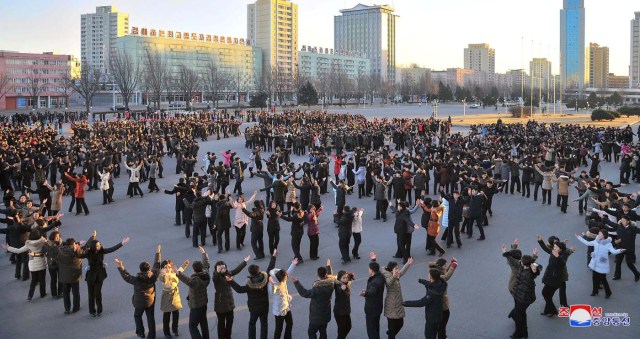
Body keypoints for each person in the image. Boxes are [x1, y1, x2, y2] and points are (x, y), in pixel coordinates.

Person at [114, 244, 162, 339]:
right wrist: (158, 252)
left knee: (137, 316)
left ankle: (141, 332)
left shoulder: (137, 279)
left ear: (140, 269)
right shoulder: (154, 275)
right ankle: (152, 336)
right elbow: (157, 264)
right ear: (149, 269)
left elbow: (126, 277)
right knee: (150, 318)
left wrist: (121, 266)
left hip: (139, 302)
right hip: (150, 301)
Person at [228, 249, 278, 339]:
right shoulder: (265, 279)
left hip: (253, 308)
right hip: (264, 306)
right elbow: (270, 268)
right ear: (259, 271)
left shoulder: (249, 285)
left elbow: (239, 289)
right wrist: (273, 256)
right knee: (264, 324)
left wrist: (231, 281)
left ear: (250, 273)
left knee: (252, 323)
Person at [85, 234, 129, 317]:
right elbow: (79, 255)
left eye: (99, 245)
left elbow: (112, 249)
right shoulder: (88, 253)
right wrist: (75, 249)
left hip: (100, 275)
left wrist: (122, 243)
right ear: (93, 247)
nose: (99, 246)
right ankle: (92, 311)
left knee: (98, 293)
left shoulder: (102, 251)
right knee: (91, 294)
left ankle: (99, 310)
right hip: (90, 276)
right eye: (97, 245)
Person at [575, 229, 625, 298]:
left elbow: (613, 251)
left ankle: (608, 292)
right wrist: (579, 237)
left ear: (604, 236)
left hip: (602, 264)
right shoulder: (596, 241)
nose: (598, 235)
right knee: (594, 277)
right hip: (595, 263)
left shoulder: (608, 244)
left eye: (600, 234)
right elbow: (587, 243)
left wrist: (620, 250)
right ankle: (595, 291)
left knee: (603, 279)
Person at [292, 260, 335, 339]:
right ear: (326, 275)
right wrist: (328, 266)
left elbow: (304, 293)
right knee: (323, 332)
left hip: (316, 317)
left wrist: (296, 282)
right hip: (326, 315)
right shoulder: (331, 285)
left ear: (318, 275)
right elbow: (331, 276)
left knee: (311, 332)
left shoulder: (316, 290)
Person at [402, 268, 448, 339]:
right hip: (439, 315)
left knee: (429, 335)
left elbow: (421, 303)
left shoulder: (432, 293)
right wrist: (422, 281)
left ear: (431, 277)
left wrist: (405, 303)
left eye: (429, 274)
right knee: (434, 333)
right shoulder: (440, 284)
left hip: (432, 317)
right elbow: (430, 284)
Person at [3, 229, 49, 301]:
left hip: (32, 264)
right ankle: (42, 294)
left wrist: (8, 247)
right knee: (42, 280)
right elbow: (49, 247)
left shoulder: (29, 244)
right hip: (42, 263)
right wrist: (45, 240)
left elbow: (18, 251)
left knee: (33, 280)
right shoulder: (42, 242)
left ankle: (30, 296)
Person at [176, 246, 210, 339]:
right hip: (204, 304)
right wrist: (204, 253)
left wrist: (178, 273)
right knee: (203, 323)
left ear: (193, 269)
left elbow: (188, 281)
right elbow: (206, 263)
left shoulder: (195, 281)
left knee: (192, 326)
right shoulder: (205, 274)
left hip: (196, 306)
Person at [212, 256, 250, 339]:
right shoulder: (216, 277)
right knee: (221, 324)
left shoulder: (228, 273)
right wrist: (218, 271)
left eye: (224, 267)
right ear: (217, 269)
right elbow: (215, 278)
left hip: (229, 303)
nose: (223, 269)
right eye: (221, 268)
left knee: (230, 322)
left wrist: (244, 262)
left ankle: (228, 336)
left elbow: (236, 270)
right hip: (220, 305)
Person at [58, 232, 94, 314]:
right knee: (75, 292)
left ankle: (67, 309)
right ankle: (76, 307)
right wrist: (92, 237)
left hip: (64, 276)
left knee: (66, 293)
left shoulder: (60, 250)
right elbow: (85, 247)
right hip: (74, 275)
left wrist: (77, 244)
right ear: (73, 244)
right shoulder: (77, 252)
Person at [507, 255, 541, 339]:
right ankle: (524, 334)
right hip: (518, 294)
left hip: (525, 298)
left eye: (521, 260)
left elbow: (538, 269)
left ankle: (518, 333)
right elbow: (514, 262)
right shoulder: (522, 266)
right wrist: (506, 253)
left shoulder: (530, 272)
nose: (520, 261)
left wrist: (535, 270)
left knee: (518, 314)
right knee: (521, 313)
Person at [423, 258, 458, 339]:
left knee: (442, 324)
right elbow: (446, 276)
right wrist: (453, 267)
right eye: (445, 266)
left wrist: (450, 264)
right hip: (441, 305)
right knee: (442, 323)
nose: (446, 267)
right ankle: (442, 337)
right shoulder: (437, 276)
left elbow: (445, 271)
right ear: (441, 267)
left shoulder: (435, 271)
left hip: (439, 305)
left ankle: (442, 336)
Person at [381, 256, 414, 339]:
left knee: (400, 324)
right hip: (391, 305)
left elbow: (401, 272)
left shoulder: (395, 274)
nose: (398, 270)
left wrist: (408, 264)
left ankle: (390, 334)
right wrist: (394, 277)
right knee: (392, 329)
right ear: (391, 270)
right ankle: (391, 335)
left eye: (397, 268)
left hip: (398, 304)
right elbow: (388, 283)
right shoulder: (387, 276)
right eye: (396, 268)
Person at [269, 257, 299, 339]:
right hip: (279, 310)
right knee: (279, 329)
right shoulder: (275, 285)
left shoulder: (282, 279)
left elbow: (288, 272)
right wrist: (271, 284)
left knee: (290, 323)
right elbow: (271, 292)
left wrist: (293, 264)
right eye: (285, 277)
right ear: (281, 278)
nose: (287, 277)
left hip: (286, 306)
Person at [359, 252, 386, 339]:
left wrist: (365, 293)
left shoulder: (375, 282)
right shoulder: (380, 276)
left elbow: (372, 291)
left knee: (371, 330)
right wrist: (373, 260)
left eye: (369, 269)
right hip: (377, 308)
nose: (368, 270)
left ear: (372, 270)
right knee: (375, 327)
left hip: (372, 309)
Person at [539, 240, 567, 317]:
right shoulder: (553, 253)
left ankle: (553, 310)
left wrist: (557, 256)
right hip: (549, 277)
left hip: (555, 281)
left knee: (545, 293)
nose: (554, 248)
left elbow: (563, 263)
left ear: (560, 249)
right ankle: (548, 311)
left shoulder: (562, 256)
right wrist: (540, 241)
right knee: (548, 295)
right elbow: (546, 249)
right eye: (554, 246)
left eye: (556, 247)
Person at [159, 259, 182, 338]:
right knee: (167, 314)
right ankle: (166, 332)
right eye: (165, 267)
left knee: (176, 313)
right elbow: (162, 278)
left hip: (175, 294)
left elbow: (179, 272)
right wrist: (164, 273)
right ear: (162, 268)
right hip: (166, 296)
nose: (168, 268)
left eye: (169, 266)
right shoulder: (163, 275)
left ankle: (175, 329)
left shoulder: (173, 272)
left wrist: (184, 265)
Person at [333, 269, 354, 339]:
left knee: (348, 326)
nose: (346, 279)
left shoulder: (345, 283)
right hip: (339, 312)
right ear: (339, 279)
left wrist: (350, 276)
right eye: (343, 278)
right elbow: (344, 293)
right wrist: (344, 290)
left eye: (346, 277)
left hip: (345, 311)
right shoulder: (339, 286)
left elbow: (348, 280)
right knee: (341, 330)